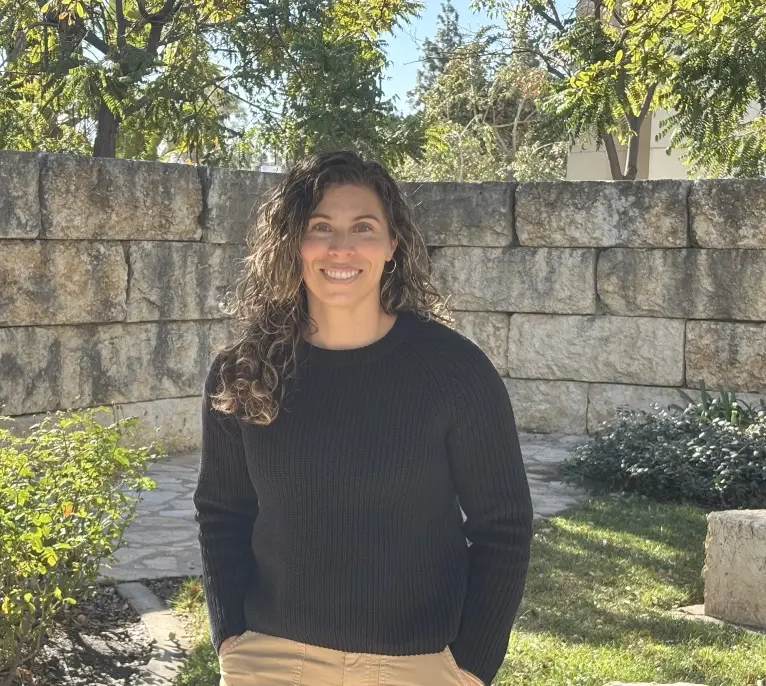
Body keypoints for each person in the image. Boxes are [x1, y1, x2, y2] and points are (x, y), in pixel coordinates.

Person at [193, 150, 533, 686]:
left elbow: (504, 527)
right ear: (291, 243)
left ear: (392, 243)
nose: (340, 247)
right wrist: (230, 634)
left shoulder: (455, 371)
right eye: (319, 226)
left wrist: (471, 665)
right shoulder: (245, 371)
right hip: (271, 660)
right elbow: (222, 510)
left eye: (363, 227)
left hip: (415, 665)